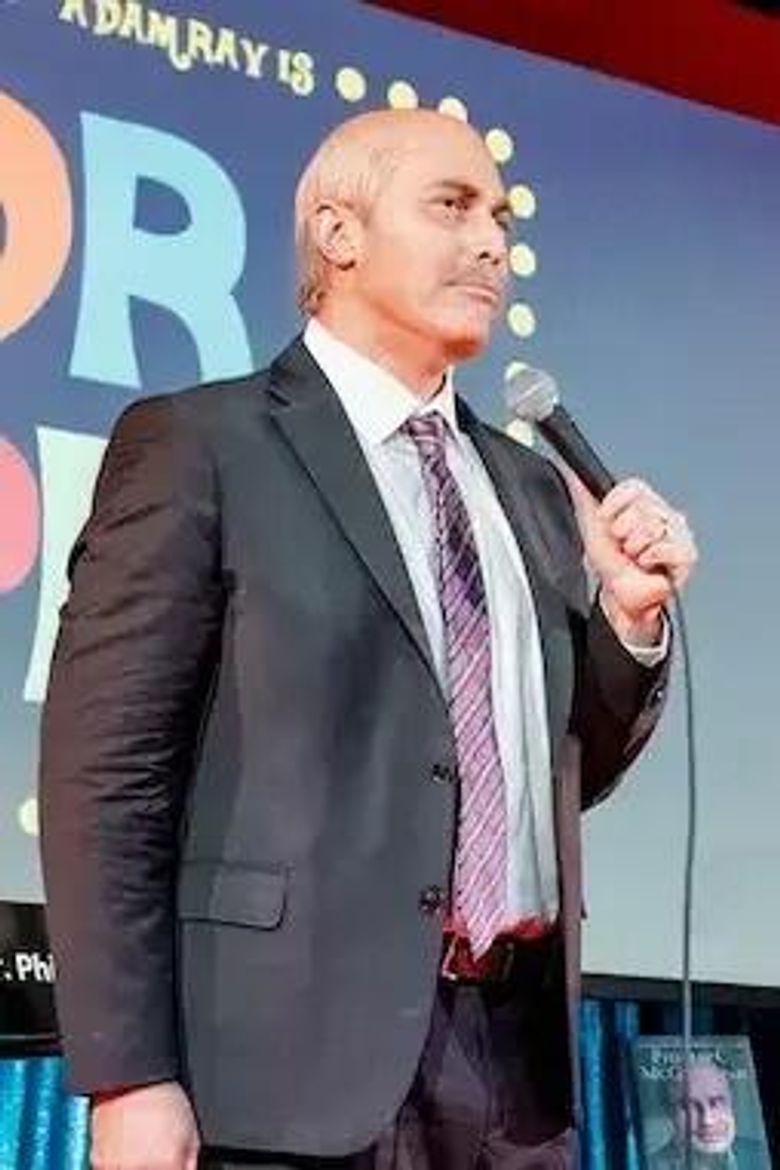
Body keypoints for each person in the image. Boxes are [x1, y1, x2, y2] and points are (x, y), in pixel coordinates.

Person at [39, 108, 697, 1170]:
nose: (492, 244)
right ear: (339, 233)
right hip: (284, 1073)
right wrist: (128, 1077)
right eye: (453, 207)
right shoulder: (204, 445)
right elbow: (105, 776)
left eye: (500, 218)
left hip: (515, 1079)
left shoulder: (530, 486)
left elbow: (559, 769)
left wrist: (628, 624)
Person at [649, 1059, 768, 1169]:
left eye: (717, 1102)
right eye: (689, 1107)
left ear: (732, 1102)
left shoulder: (761, 1154)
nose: (707, 1120)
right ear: (669, 1112)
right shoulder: (650, 1165)